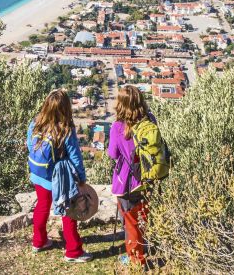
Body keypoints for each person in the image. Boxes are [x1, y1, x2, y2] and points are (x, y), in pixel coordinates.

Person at [27, 89, 92, 263]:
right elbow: (75, 157)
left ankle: (39, 241)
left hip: (39, 173)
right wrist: (81, 179)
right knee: (68, 211)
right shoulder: (65, 129)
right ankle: (73, 251)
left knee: (42, 205)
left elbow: (29, 145)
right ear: (65, 108)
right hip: (59, 177)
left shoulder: (35, 123)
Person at [108, 85, 153, 266]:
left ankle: (136, 259)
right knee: (143, 215)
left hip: (127, 181)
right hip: (148, 176)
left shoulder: (118, 127)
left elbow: (113, 154)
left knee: (130, 220)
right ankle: (142, 248)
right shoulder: (150, 120)